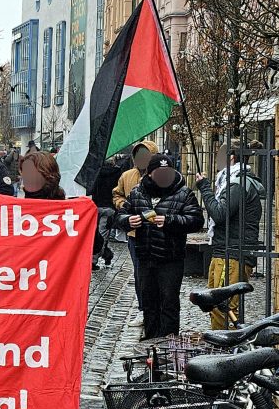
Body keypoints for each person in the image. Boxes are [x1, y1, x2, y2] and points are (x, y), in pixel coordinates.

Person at [116, 154, 205, 340]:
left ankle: (167, 343)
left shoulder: (184, 193)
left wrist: (170, 220)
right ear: (150, 175)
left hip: (170, 259)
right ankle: (150, 342)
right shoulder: (137, 193)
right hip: (145, 257)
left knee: (169, 303)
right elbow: (119, 217)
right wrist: (127, 221)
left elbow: (196, 221)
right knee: (149, 303)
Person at [195, 139, 265, 329]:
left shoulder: (237, 184)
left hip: (233, 254)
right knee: (214, 303)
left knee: (224, 307)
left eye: (219, 155)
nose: (216, 159)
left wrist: (205, 189)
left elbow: (219, 214)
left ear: (231, 158)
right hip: (223, 250)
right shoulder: (230, 181)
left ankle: (224, 351)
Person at [114, 139, 159, 327]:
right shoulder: (127, 176)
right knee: (140, 273)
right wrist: (123, 205)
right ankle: (143, 309)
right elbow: (117, 195)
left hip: (157, 233)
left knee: (157, 273)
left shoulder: (160, 175)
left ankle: (158, 310)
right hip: (135, 234)